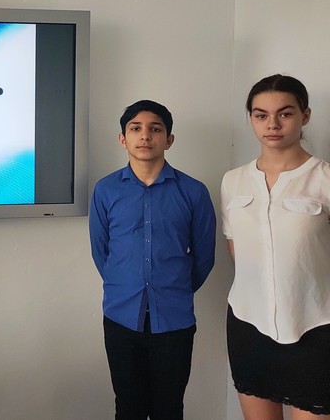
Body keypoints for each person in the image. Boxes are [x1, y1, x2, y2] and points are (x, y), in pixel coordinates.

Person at [89, 100, 216, 420]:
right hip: (120, 317)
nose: (145, 135)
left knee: (168, 409)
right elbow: (101, 252)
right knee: (128, 406)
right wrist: (125, 284)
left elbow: (204, 257)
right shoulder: (105, 190)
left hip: (174, 320)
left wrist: (173, 288)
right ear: (123, 139)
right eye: (136, 128)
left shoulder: (194, 192)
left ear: (169, 139)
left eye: (155, 129)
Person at [221, 74, 330, 419]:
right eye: (261, 115)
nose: (272, 124)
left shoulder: (324, 178)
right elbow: (236, 249)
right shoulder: (233, 181)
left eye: (285, 113)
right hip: (248, 325)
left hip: (315, 328)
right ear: (251, 118)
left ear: (305, 116)